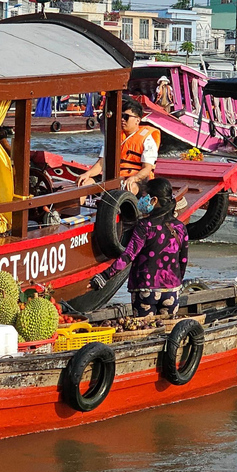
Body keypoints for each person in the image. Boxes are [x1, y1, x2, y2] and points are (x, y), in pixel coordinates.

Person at [89, 178, 188, 317]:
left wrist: (104, 277)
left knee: (144, 330)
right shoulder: (180, 227)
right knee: (167, 331)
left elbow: (129, 255)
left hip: (146, 290)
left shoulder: (144, 226)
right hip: (172, 290)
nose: (141, 200)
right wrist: (176, 283)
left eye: (143, 196)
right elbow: (183, 261)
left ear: (154, 200)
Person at [76, 98, 160, 196]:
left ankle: (122, 210)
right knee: (84, 184)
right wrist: (87, 174)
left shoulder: (147, 140)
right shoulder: (114, 137)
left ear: (137, 120)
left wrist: (134, 178)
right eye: (121, 116)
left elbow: (147, 168)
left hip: (136, 180)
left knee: (128, 187)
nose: (122, 119)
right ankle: (75, 209)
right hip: (114, 178)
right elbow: (101, 163)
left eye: (126, 117)